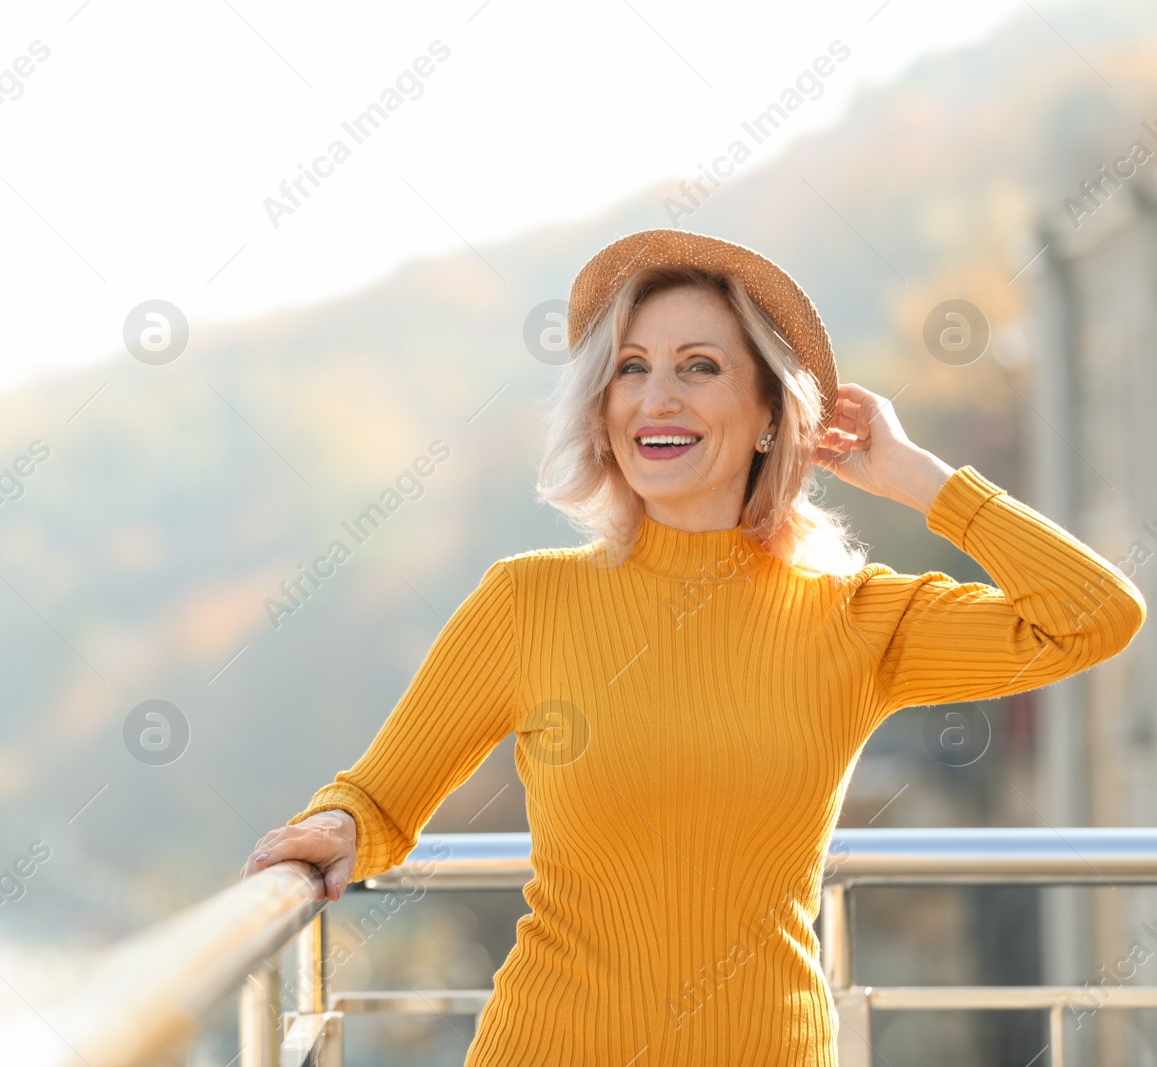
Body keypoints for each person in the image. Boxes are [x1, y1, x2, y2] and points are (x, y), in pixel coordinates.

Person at [238, 228, 1147, 1065]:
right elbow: (382, 798)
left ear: (767, 415)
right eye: (630, 368)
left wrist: (917, 478)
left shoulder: (854, 616)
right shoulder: (528, 600)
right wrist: (336, 824)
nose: (655, 396)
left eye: (699, 366)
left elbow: (1094, 613)